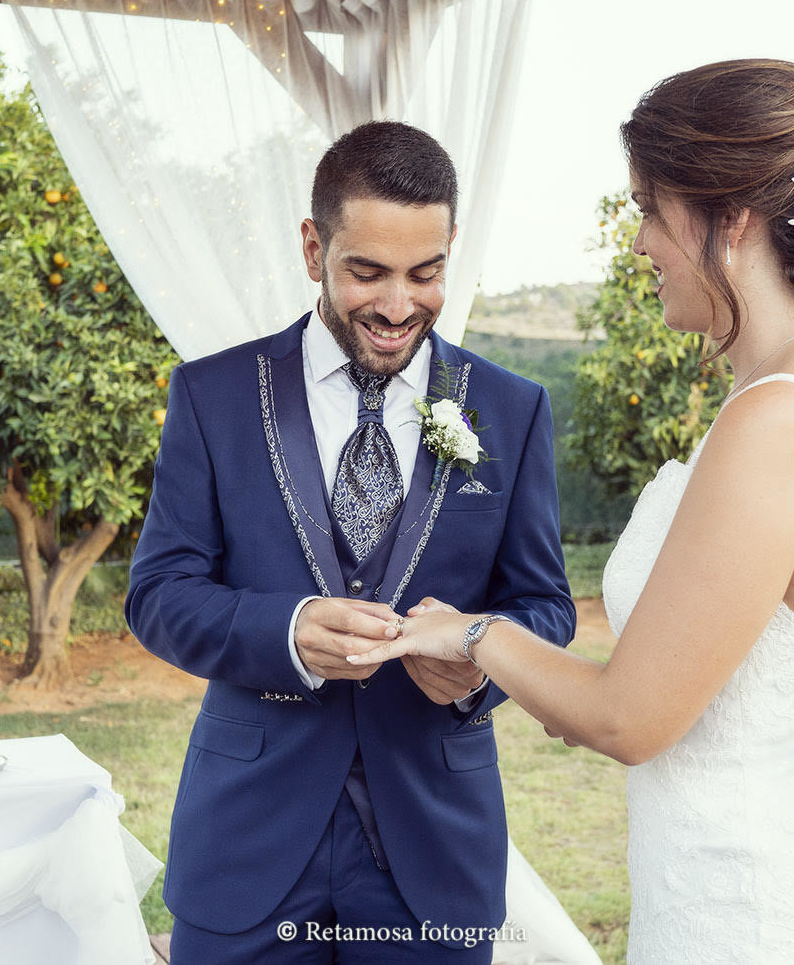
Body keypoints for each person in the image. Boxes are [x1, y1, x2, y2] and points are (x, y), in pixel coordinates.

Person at [350, 60, 794, 962]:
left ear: (729, 221)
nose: (640, 242)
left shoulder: (780, 422)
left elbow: (628, 718)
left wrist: (469, 634)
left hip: (753, 914)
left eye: (651, 208)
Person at [125, 120, 576, 962]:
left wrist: (479, 663)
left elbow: (545, 605)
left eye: (426, 273)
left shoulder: (513, 411)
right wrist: (284, 630)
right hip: (247, 843)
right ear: (312, 248)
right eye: (367, 272)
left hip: (433, 851)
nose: (399, 307)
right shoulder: (212, 396)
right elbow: (157, 596)